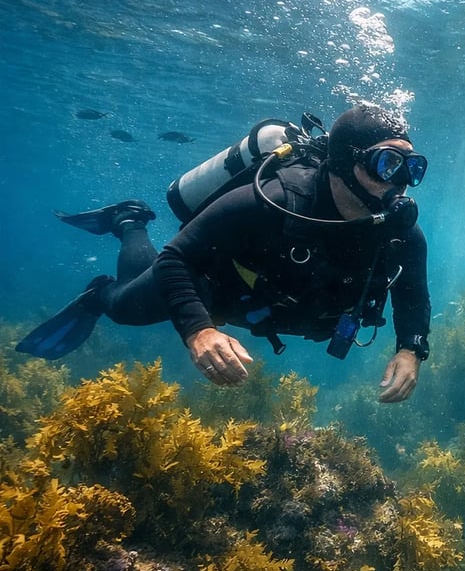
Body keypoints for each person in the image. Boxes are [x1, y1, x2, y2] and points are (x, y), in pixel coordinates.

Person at [17, 104, 431, 403]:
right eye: (388, 164)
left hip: (272, 307)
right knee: (124, 307)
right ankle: (128, 224)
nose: (402, 184)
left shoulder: (401, 232)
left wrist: (410, 349)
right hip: (215, 288)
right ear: (344, 162)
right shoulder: (270, 202)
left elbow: (412, 292)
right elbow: (176, 259)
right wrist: (200, 330)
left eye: (412, 168)